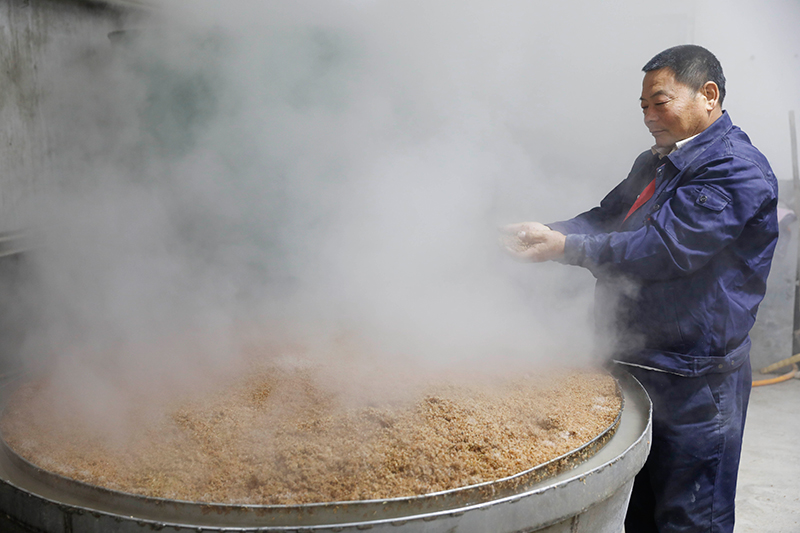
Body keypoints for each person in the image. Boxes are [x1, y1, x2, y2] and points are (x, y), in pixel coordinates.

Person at [502, 45, 779, 533]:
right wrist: (547, 231)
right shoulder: (658, 161)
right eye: (644, 106)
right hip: (637, 363)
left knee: (691, 518)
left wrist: (568, 248)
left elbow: (667, 250)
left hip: (695, 379)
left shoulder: (734, 170)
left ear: (708, 95)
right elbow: (606, 219)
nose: (650, 117)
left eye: (661, 101)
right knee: (643, 511)